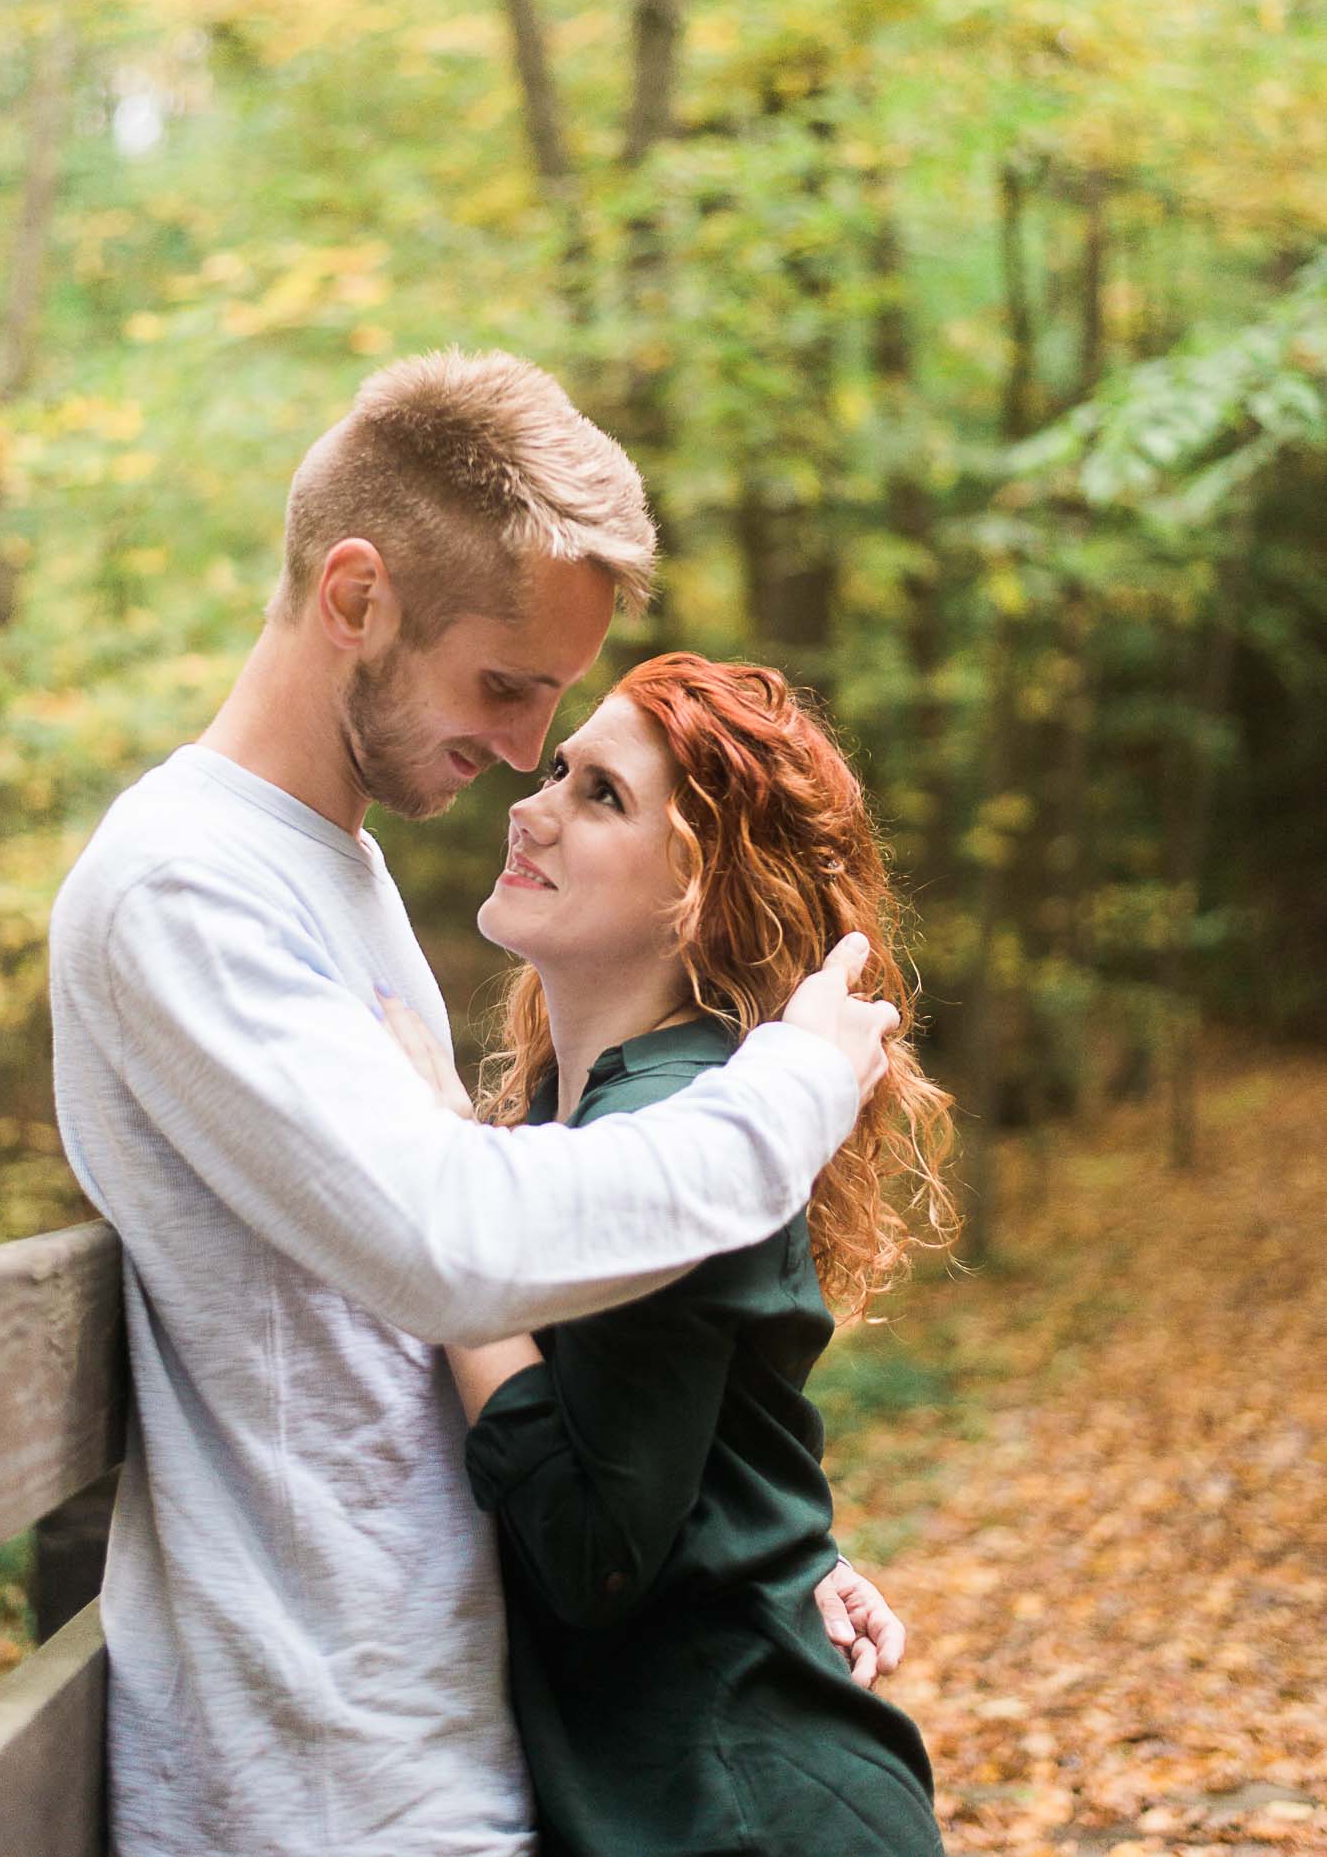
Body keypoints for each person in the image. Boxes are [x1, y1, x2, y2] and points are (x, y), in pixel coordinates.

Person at [48, 350, 907, 1857]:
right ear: (357, 594)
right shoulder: (183, 883)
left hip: (449, 1738)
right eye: (507, 688)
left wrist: (761, 1568)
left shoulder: (337, 869)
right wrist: (797, 1083)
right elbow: (452, 1237)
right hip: (330, 1776)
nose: (524, 750)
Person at [423, 651, 956, 1855]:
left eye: (600, 795)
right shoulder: (606, 1119)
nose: (531, 803)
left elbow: (596, 1553)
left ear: (698, 893)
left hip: (747, 1810)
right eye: (557, 769)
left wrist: (436, 1232)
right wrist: (781, 1556)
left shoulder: (667, 1127)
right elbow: (691, 1448)